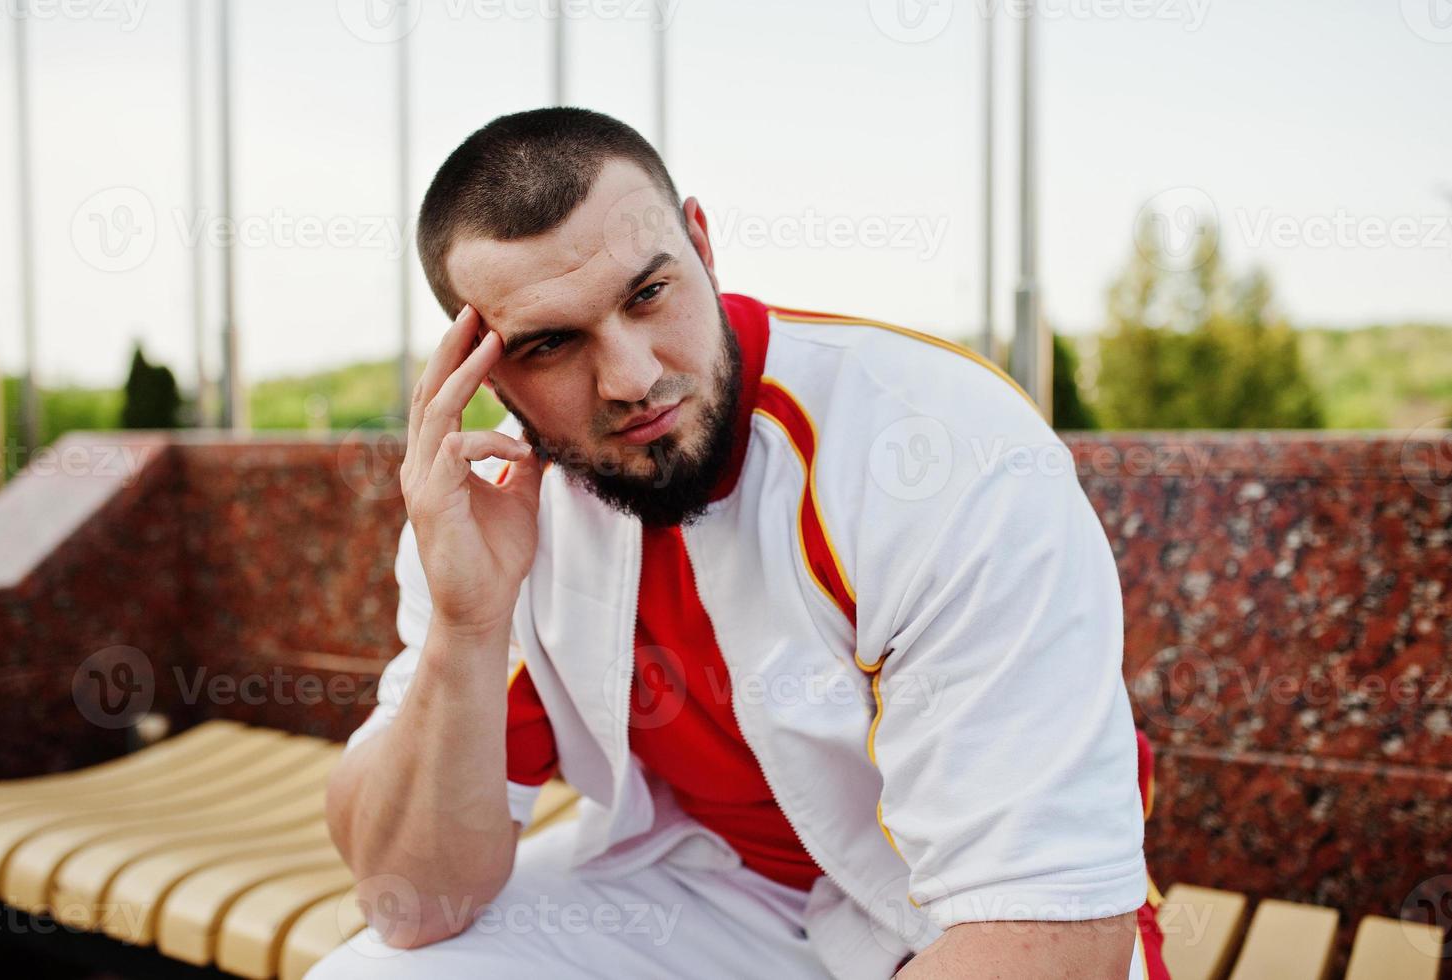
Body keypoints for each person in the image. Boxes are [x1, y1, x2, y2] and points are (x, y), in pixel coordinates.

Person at [313, 107, 1169, 980]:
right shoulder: (489, 509)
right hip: (708, 886)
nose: (633, 377)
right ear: (480, 364)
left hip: (953, 920)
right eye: (550, 342)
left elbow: (1051, 932)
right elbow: (412, 903)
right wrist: (465, 622)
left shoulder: (937, 447)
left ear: (701, 244)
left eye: (648, 293)